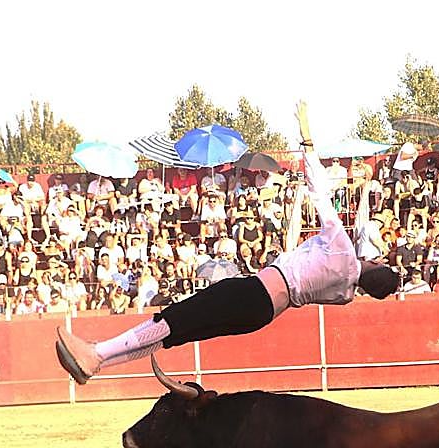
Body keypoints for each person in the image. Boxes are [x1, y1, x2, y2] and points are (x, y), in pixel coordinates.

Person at [54, 100, 400, 385]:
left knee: (173, 320)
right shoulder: (346, 294)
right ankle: (95, 360)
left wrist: (307, 139)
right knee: (177, 330)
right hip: (262, 313)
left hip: (255, 292)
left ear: (377, 265)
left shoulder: (341, 249)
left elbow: (319, 191)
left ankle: (95, 356)